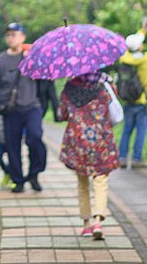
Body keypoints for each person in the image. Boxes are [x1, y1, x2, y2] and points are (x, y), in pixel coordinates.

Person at [0, 22, 45, 193]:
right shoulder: (0, 60)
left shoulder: (32, 56)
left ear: (22, 37)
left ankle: (34, 173)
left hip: (31, 105)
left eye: (14, 34)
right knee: (12, 145)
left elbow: (45, 75)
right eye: (8, 35)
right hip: (10, 109)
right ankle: (18, 179)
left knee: (35, 137)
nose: (10, 38)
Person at [56, 71, 119, 240]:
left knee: (82, 181)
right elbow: (114, 109)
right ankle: (98, 221)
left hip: (78, 140)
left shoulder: (69, 87)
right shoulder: (104, 84)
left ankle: (86, 225)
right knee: (101, 180)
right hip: (101, 139)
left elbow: (60, 114)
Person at [117, 14, 147, 167]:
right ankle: (137, 159)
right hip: (143, 101)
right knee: (140, 131)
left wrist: (143, 31)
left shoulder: (124, 58)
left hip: (128, 100)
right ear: (140, 46)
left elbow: (131, 45)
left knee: (126, 130)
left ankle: (122, 158)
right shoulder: (145, 61)